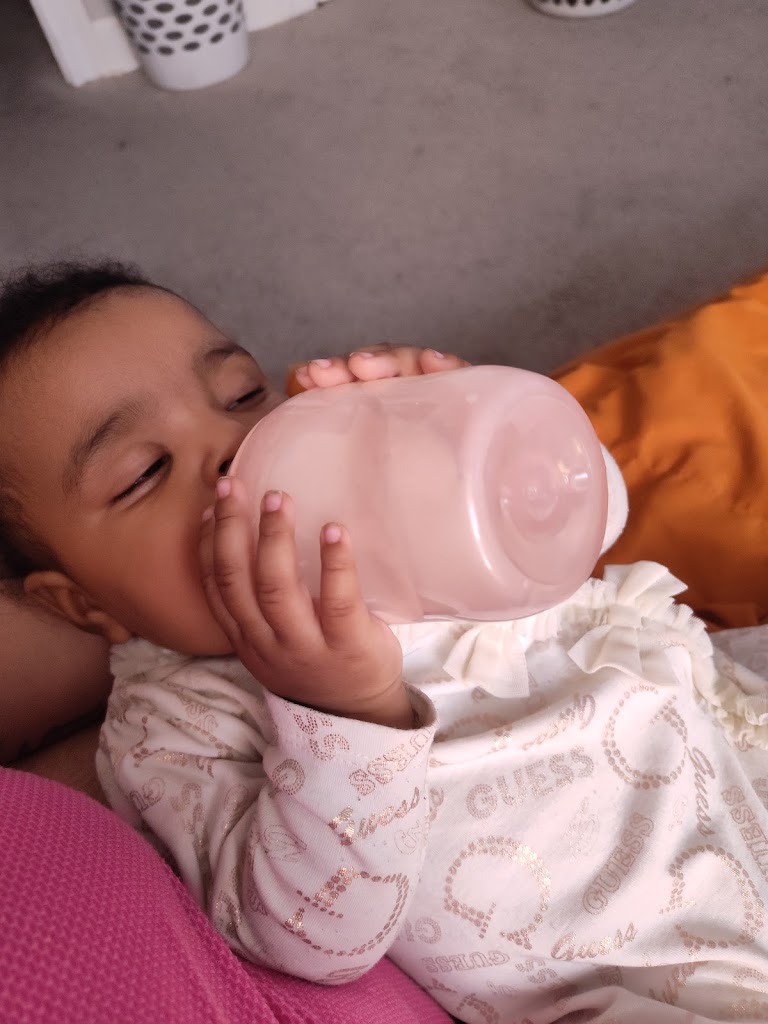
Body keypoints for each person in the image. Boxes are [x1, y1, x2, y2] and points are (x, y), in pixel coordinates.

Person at [3, 261, 768, 1023]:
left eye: (242, 395)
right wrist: (347, 713)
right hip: (652, 979)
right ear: (85, 603)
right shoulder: (170, 727)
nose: (233, 449)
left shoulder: (376, 506)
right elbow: (312, 939)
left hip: (733, 762)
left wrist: (480, 434)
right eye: (145, 472)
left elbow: (592, 524)